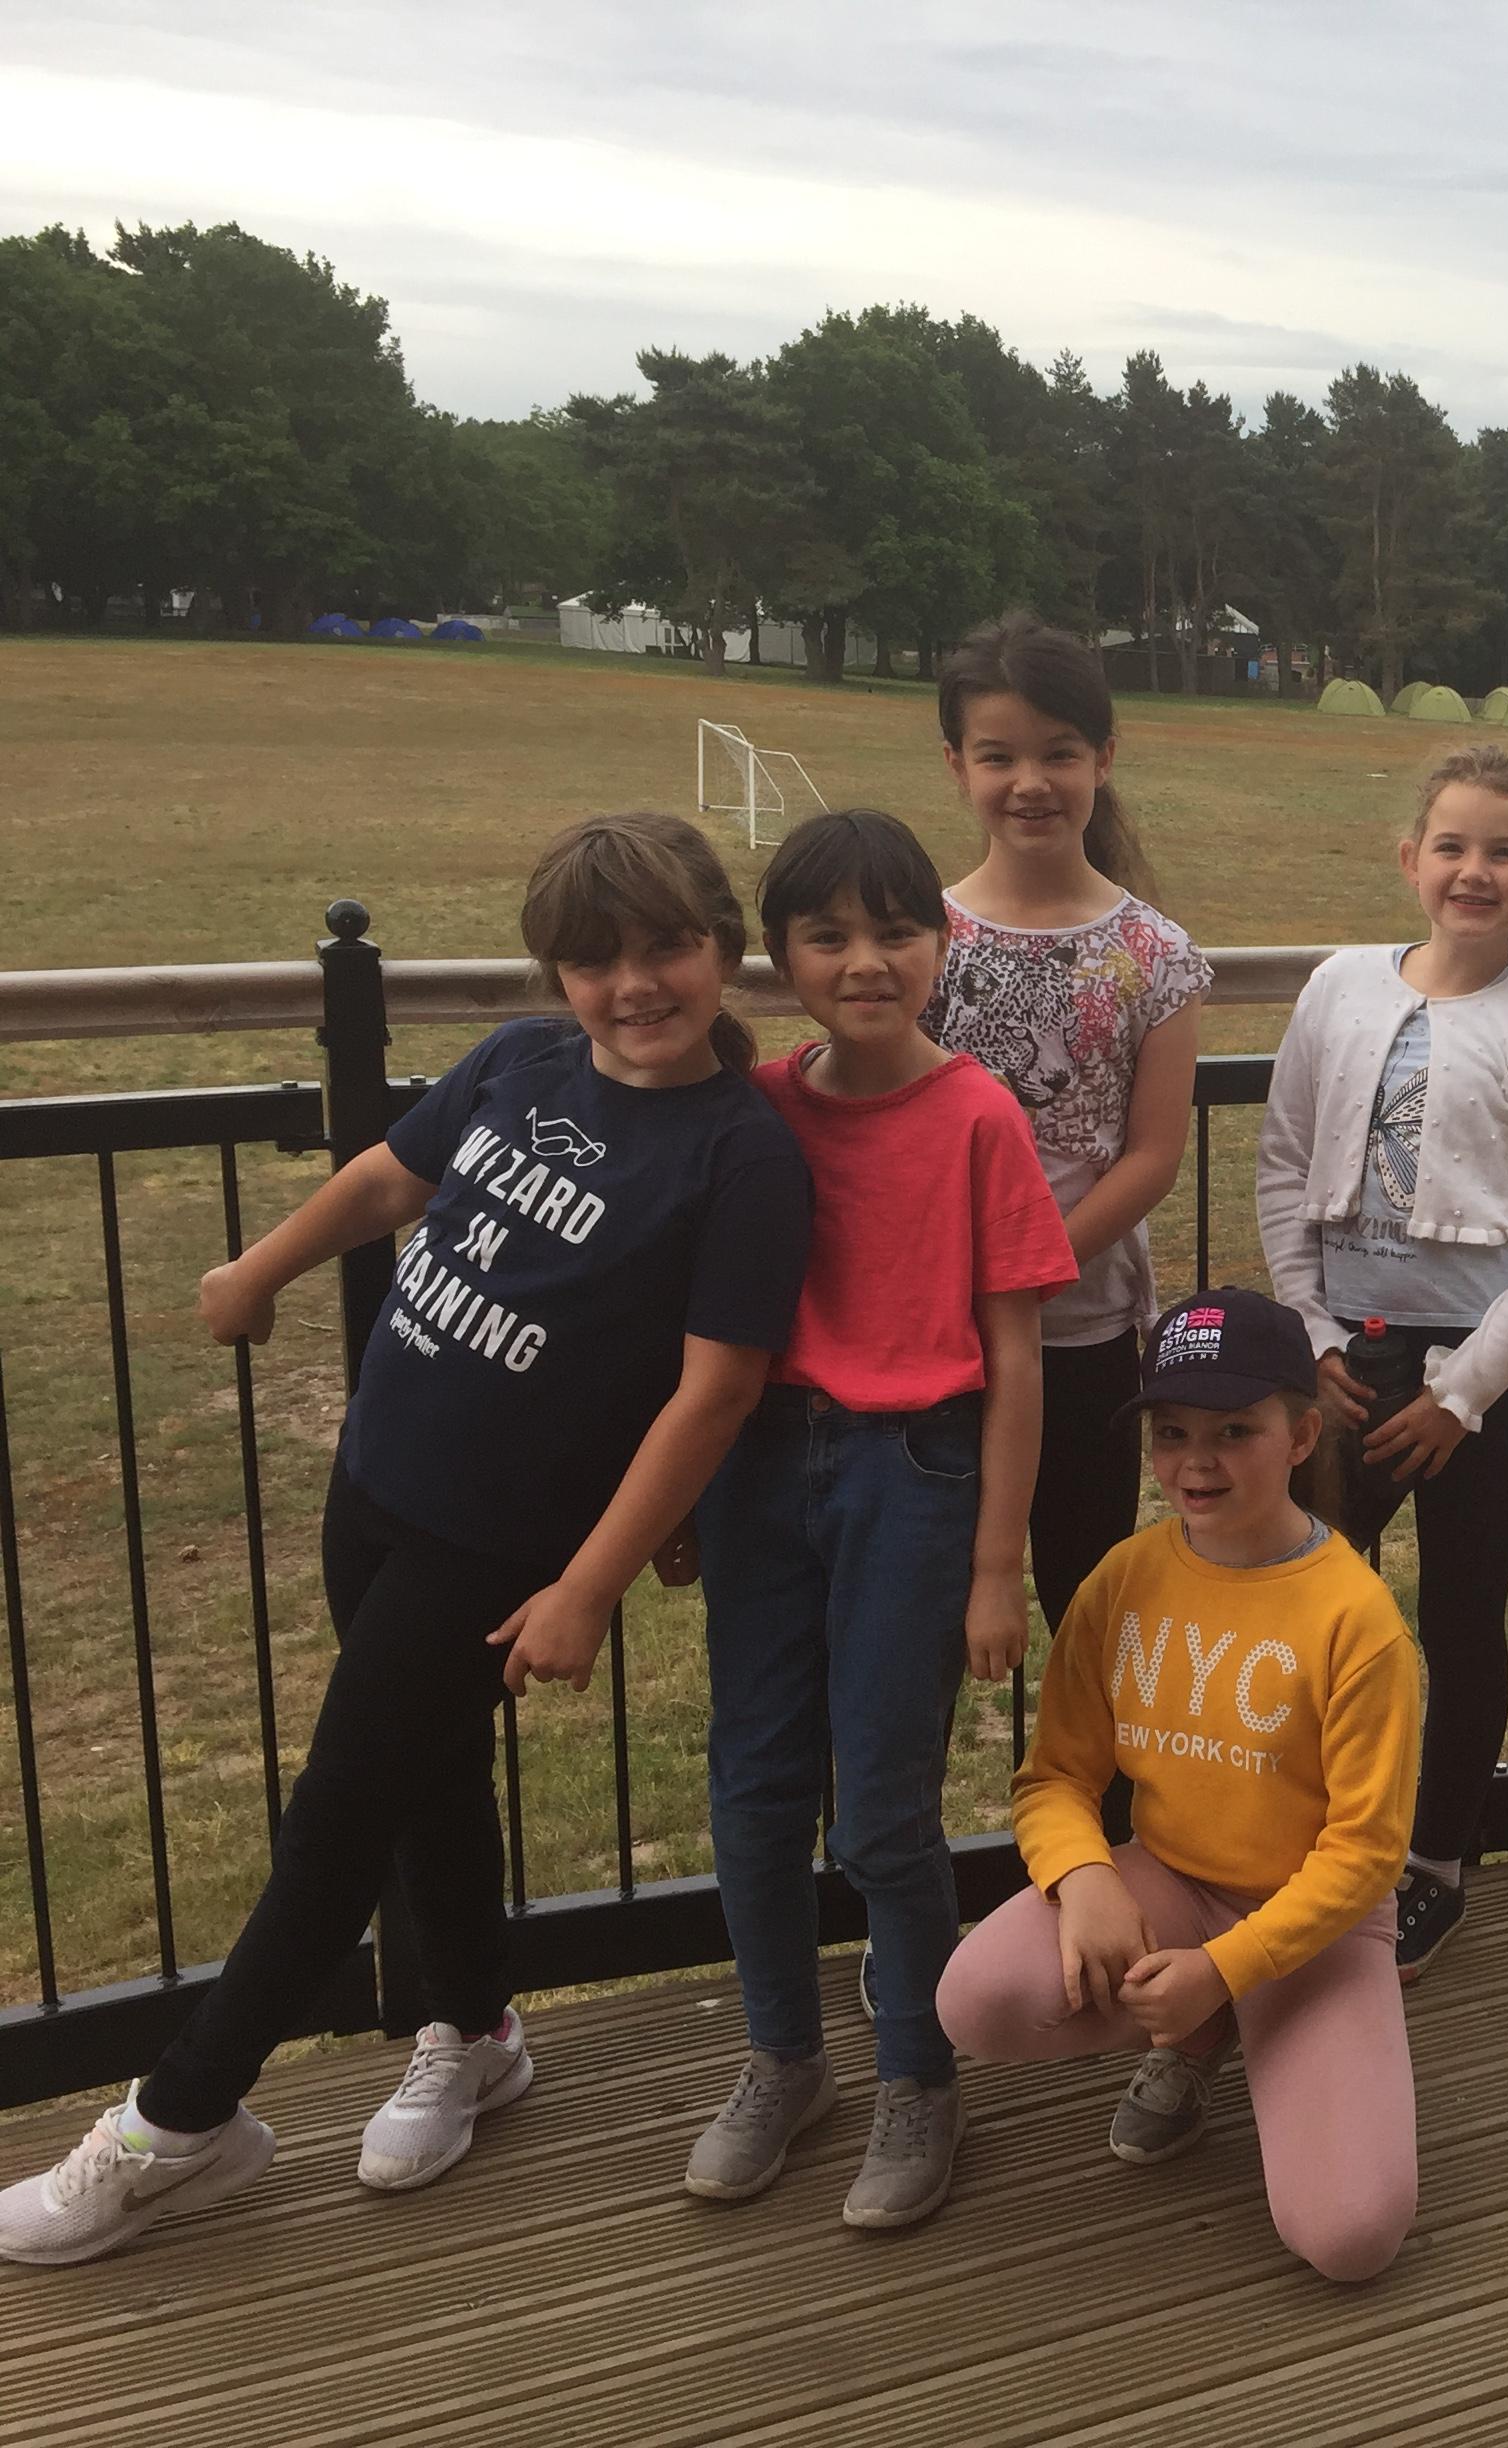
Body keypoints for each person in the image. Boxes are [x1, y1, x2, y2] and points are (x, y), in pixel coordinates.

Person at [0, 813, 810, 2268]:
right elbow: (389, 1177)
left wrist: (588, 1583)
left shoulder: (741, 1156)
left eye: (667, 947)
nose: (634, 984)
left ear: (725, 950)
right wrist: (259, 1267)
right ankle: (476, 2033)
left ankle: (179, 2126)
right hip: (375, 1485)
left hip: (496, 1543)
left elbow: (718, 1391)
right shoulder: (520, 1061)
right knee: (429, 1776)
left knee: (336, 1818)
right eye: (595, 959)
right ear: (556, 974)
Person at [682, 809, 1075, 2229]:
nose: (866, 961)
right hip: (758, 1467)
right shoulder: (756, 1110)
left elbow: (1017, 1357)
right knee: (753, 1786)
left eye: (896, 931)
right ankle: (783, 2059)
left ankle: (918, 2078)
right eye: (828, 936)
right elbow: (699, 1326)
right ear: (778, 957)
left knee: (886, 1813)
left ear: (940, 944)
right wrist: (678, 1498)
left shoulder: (978, 1118)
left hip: (914, 1475)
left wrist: (996, 1566)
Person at [937, 1287, 1421, 2284]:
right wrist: (1085, 1879)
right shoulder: (1124, 1579)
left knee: (1350, 2237)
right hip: (1174, 1883)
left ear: (1300, 1436)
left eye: (1234, 1430)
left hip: (1318, 1927)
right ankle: (1203, 2032)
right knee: (977, 1999)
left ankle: (1252, 2020)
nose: (1196, 1461)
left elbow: (1367, 1854)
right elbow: (1056, 1776)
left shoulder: (1356, 1618)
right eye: (1171, 1433)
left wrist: (1227, 1967)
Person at [1253, 743, 1508, 1981]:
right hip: (1345, 1368)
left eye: (1504, 851)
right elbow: (1284, 1166)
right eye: (1451, 845)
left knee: (1459, 1623)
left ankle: (1436, 1864)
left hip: (1489, 1382)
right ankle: (1300, 1839)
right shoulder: (1340, 987)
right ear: (1411, 859)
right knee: (1308, 1610)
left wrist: (1461, 1396)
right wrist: (1311, 1335)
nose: (1473, 870)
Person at [925, 612, 1213, 1631]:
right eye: (997, 756)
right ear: (957, 765)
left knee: (1087, 1611)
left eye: (1059, 753)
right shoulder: (919, 937)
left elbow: (1152, 1156)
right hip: (932, 1329)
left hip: (1083, 1332)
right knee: (928, 1603)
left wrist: (1024, 1268)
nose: (1030, 782)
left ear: (1104, 757)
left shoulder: (1155, 953)